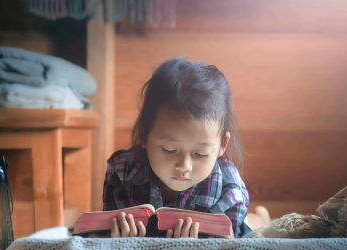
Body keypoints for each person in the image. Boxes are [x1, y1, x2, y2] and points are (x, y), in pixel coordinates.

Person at [102, 58, 251, 238]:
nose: (184, 166)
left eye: (200, 154)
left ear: (222, 145)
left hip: (241, 226)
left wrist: (200, 249)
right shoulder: (122, 173)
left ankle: (260, 215)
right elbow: (106, 232)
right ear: (143, 134)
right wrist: (120, 238)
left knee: (257, 228)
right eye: (169, 150)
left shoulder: (229, 192)